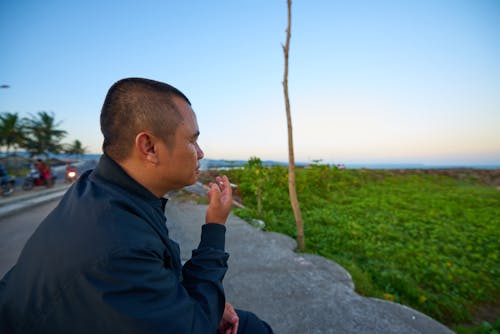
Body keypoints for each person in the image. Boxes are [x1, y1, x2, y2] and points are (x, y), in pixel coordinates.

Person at [0, 78, 273, 334]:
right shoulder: (119, 245)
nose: (200, 153)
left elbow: (156, 280)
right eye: (192, 139)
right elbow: (195, 327)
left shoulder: (100, 190)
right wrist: (215, 227)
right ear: (149, 146)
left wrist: (206, 303)